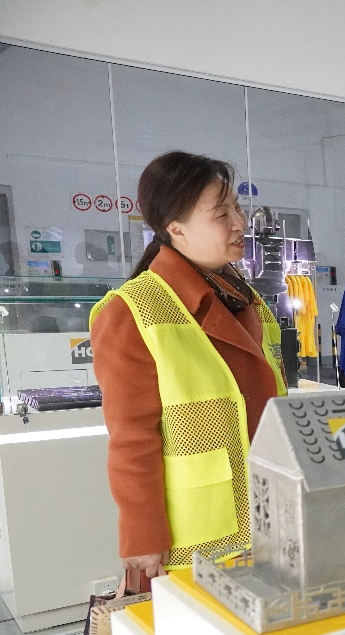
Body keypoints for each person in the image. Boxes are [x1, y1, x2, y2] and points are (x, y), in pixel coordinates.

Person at [91, 151, 287, 590]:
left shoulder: (247, 299)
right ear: (176, 228)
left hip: (270, 520)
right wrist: (142, 534)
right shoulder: (133, 310)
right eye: (222, 214)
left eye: (238, 208)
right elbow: (132, 437)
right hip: (193, 542)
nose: (239, 223)